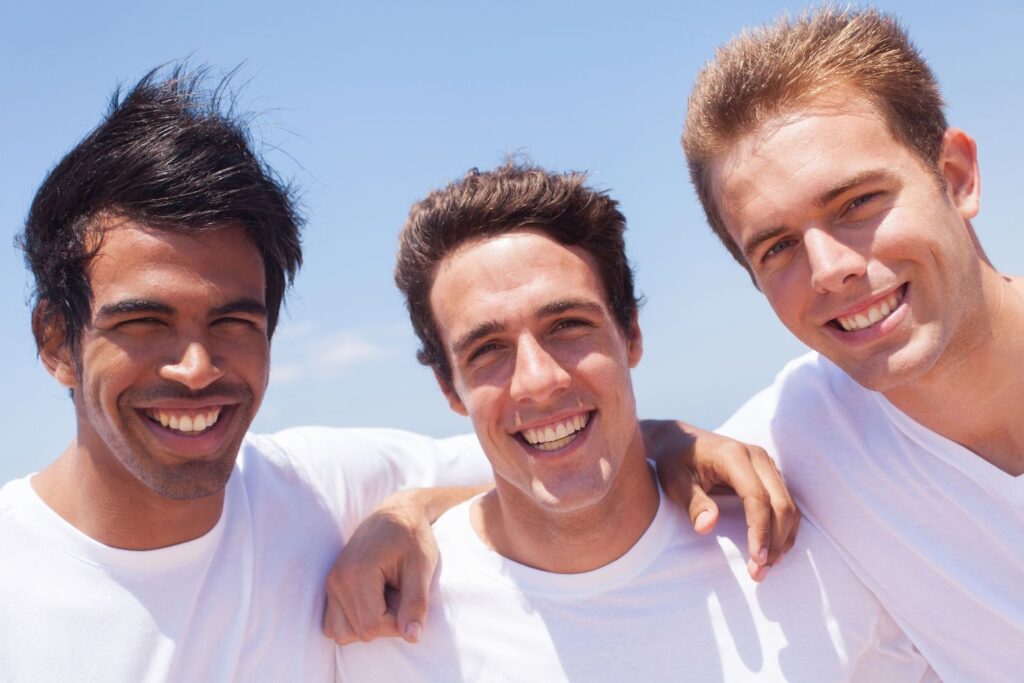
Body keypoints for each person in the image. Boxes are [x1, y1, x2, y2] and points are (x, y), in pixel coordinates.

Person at [0, 67, 795, 680]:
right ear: (55, 341)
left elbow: (535, 442)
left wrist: (673, 441)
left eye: (234, 323)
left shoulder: (312, 489)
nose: (197, 365)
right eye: (143, 324)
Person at [337, 162, 934, 681]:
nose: (540, 381)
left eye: (568, 325)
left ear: (631, 335)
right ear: (450, 387)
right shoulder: (388, 628)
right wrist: (410, 509)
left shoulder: (813, 548)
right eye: (487, 350)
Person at [674, 6, 1024, 680]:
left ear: (956, 176)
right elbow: (549, 495)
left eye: (858, 203)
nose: (831, 268)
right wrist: (410, 512)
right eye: (777, 247)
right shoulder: (804, 429)